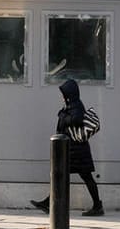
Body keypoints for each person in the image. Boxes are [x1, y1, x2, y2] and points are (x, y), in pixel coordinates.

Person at [30, 78, 104, 216]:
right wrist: (63, 113)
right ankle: (49, 203)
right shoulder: (70, 105)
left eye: (63, 93)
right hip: (72, 150)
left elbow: (76, 119)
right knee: (63, 176)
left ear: (69, 94)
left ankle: (97, 206)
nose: (62, 96)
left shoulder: (76, 106)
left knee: (80, 176)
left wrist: (63, 115)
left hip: (76, 151)